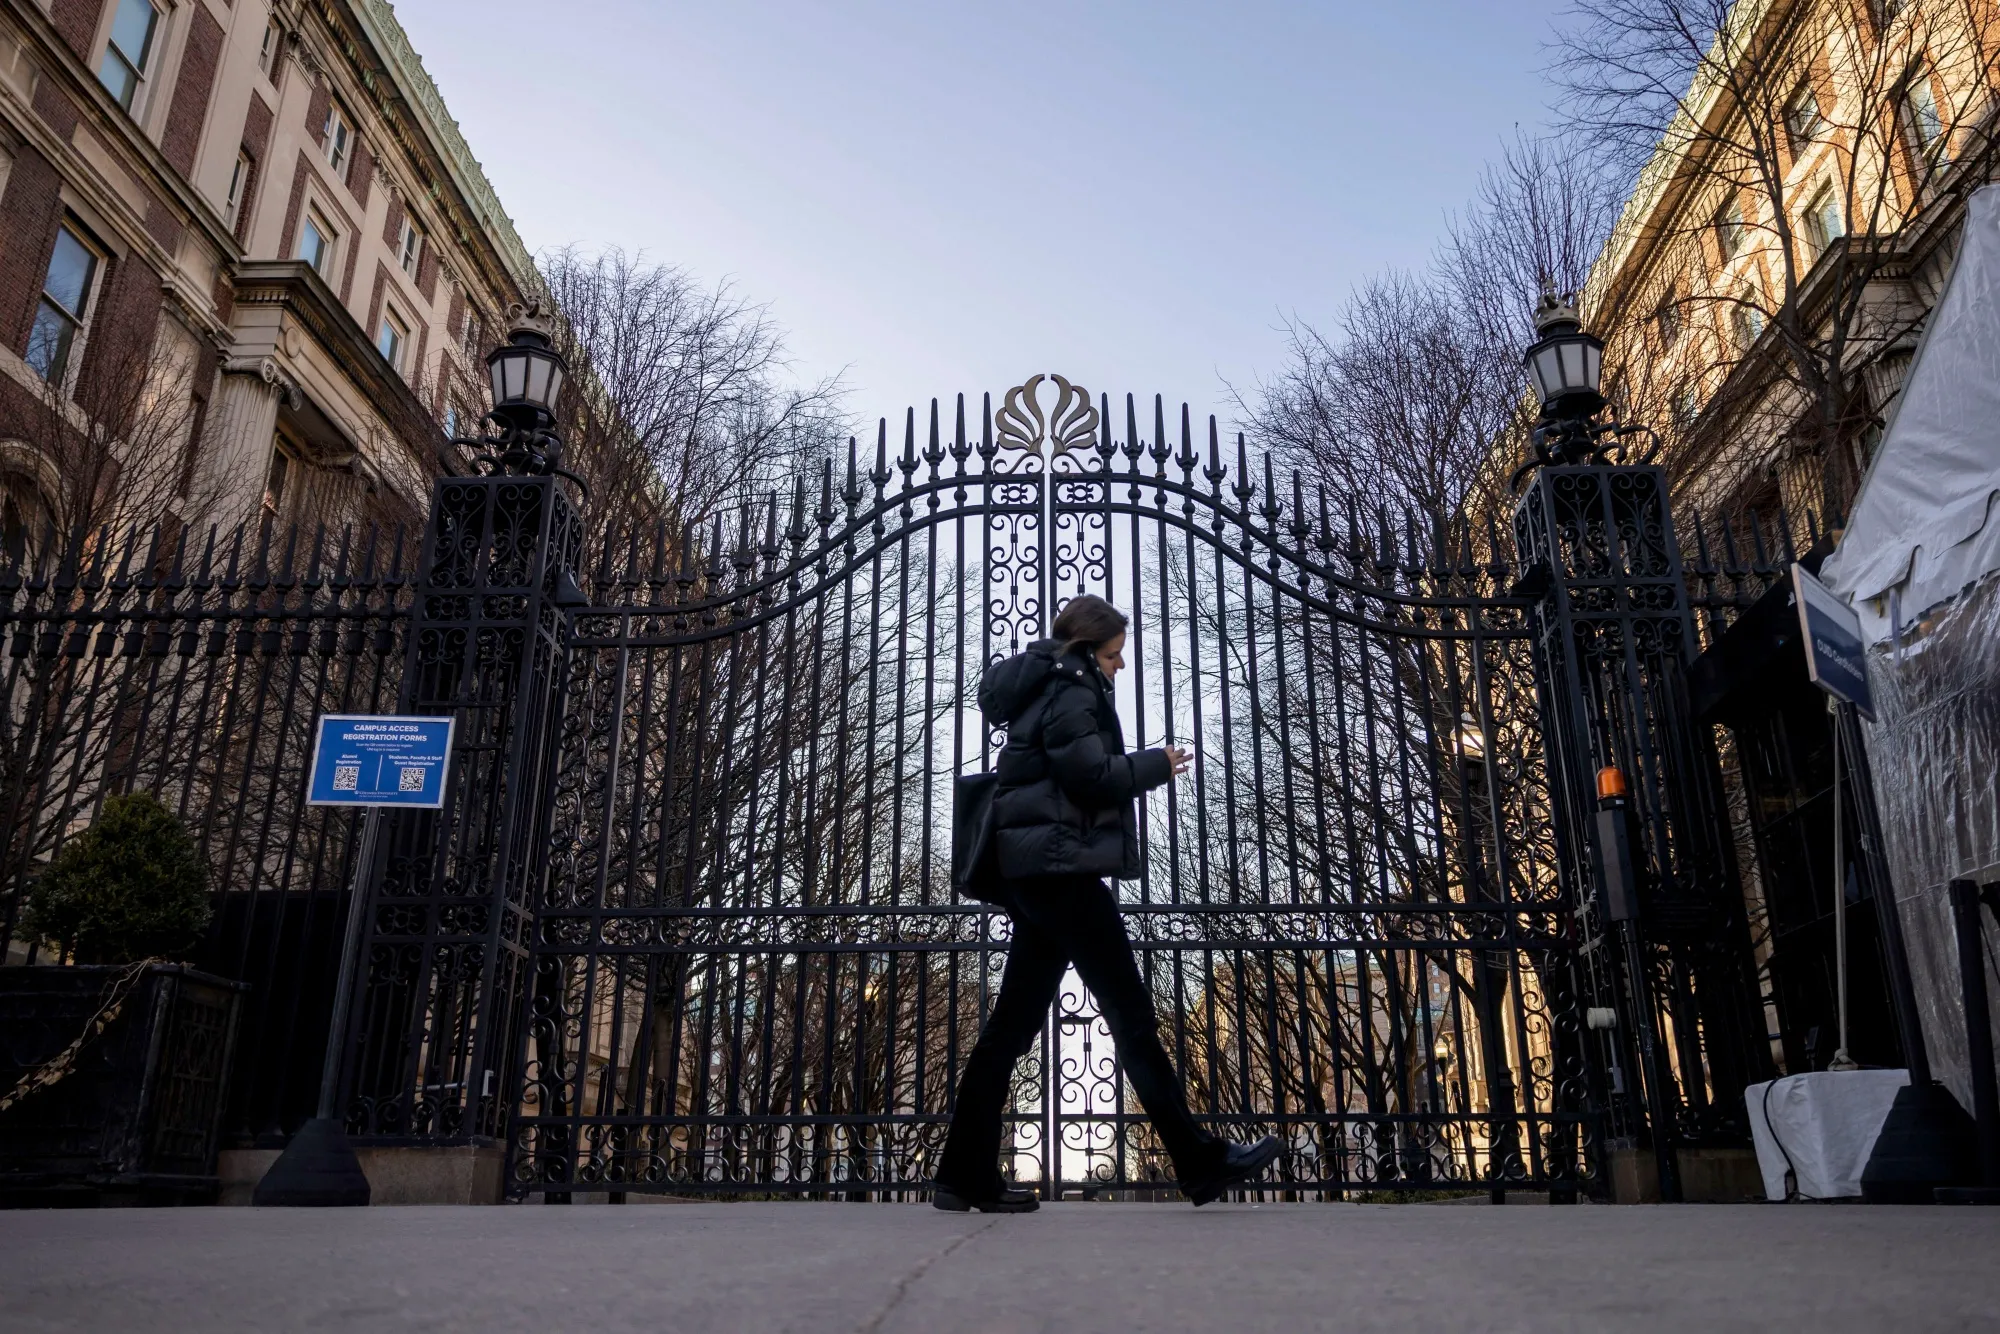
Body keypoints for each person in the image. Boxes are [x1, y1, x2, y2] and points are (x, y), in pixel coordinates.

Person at [933, 594, 1281, 1212]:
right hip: (1061, 868)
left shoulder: (1047, 684)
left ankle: (963, 1175)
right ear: (1090, 649)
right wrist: (1156, 763)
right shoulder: (1072, 688)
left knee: (1011, 1026)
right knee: (1130, 1014)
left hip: (1038, 869)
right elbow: (1088, 776)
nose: (1121, 667)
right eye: (1116, 655)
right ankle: (1200, 1162)